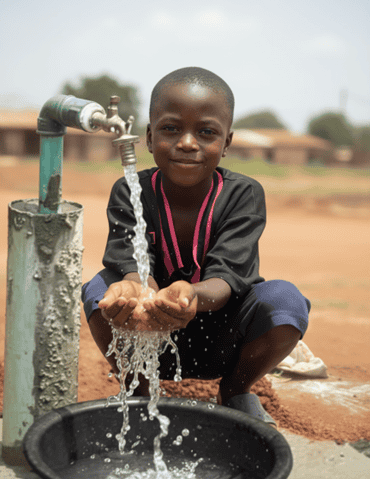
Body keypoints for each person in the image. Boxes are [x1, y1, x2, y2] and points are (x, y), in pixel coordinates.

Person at [82, 66, 310, 427]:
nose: (187, 142)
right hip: (148, 340)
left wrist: (188, 296)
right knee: (98, 289)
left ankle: (235, 391)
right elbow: (132, 266)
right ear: (149, 135)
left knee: (285, 300)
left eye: (206, 132)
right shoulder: (130, 190)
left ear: (227, 141)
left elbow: (225, 279)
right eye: (171, 128)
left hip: (224, 341)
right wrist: (138, 292)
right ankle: (139, 389)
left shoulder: (243, 195)